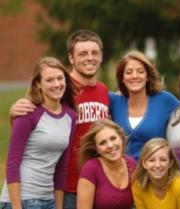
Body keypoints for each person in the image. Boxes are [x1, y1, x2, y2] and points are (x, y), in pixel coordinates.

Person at [9, 30, 110, 209]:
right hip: (67, 188)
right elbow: (33, 114)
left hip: (97, 184)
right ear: (71, 58)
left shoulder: (104, 91)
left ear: (101, 56)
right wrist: (14, 111)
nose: (90, 58)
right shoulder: (59, 87)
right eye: (82, 53)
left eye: (94, 53)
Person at [0, 57, 77, 209]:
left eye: (60, 78)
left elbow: (62, 167)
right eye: (49, 80)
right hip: (23, 200)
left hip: (48, 200)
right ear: (38, 84)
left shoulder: (71, 116)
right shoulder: (28, 112)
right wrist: (17, 207)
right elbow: (12, 163)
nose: (56, 84)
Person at [109, 51, 180, 160]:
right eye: (128, 72)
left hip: (155, 172)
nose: (134, 76)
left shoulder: (164, 100)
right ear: (122, 78)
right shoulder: (114, 101)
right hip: (121, 173)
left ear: (147, 76)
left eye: (140, 71)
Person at [77, 119, 136, 209]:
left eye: (113, 138)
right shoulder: (90, 169)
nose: (110, 145)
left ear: (121, 138)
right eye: (102, 143)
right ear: (96, 149)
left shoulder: (131, 163)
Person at [131, 138, 180, 209]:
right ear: (144, 163)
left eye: (163, 160)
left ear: (170, 163)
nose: (157, 165)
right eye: (152, 160)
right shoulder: (138, 184)